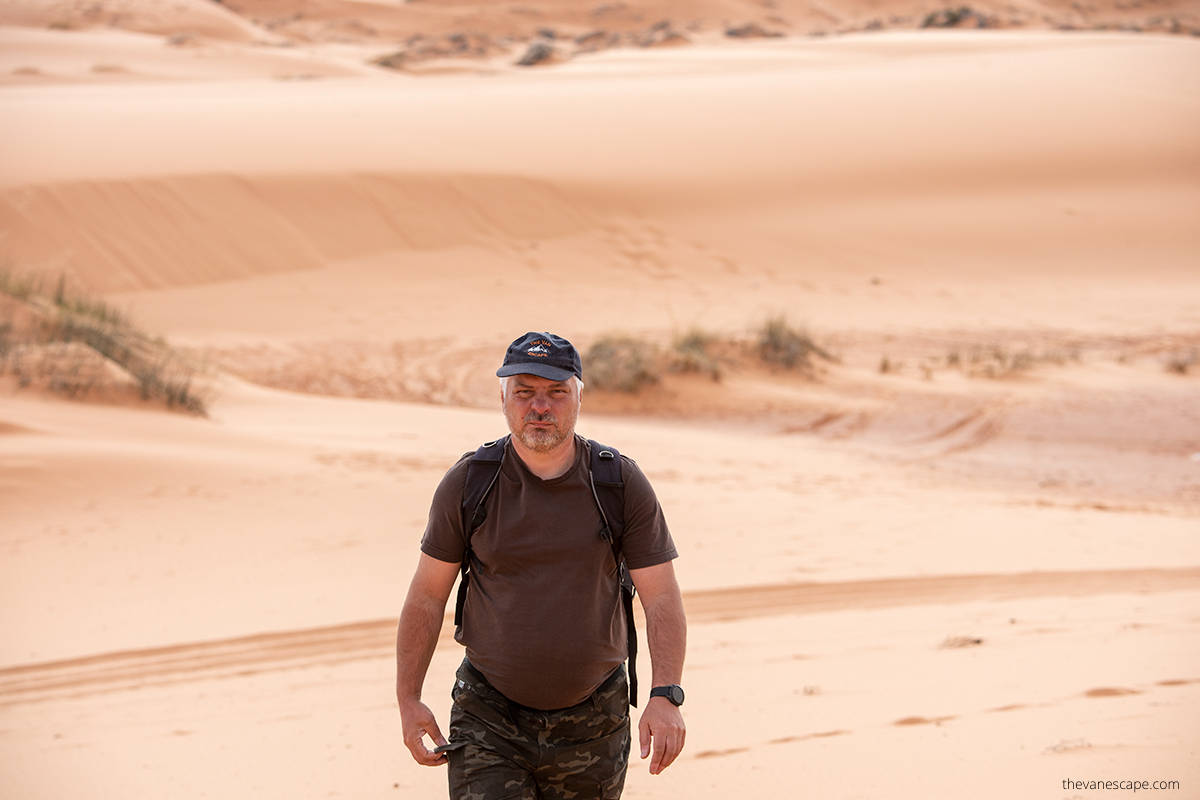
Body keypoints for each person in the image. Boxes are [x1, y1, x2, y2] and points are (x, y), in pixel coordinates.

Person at [395, 331, 687, 799]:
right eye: (524, 392)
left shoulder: (618, 483)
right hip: (488, 717)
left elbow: (662, 597)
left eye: (556, 392)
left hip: (595, 722)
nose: (540, 407)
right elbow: (428, 596)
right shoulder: (470, 483)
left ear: (578, 397)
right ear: (504, 399)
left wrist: (665, 694)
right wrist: (408, 700)